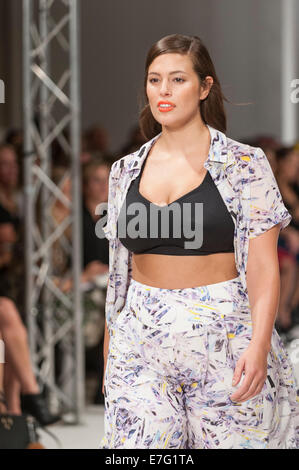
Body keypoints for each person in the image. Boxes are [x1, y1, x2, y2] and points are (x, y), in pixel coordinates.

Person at [98, 34, 299, 449]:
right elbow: (120, 275)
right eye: (155, 81)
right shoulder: (124, 171)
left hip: (225, 338)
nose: (164, 91)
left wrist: (259, 346)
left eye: (177, 79)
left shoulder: (244, 164)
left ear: (205, 87)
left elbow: (263, 267)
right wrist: (110, 353)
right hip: (139, 341)